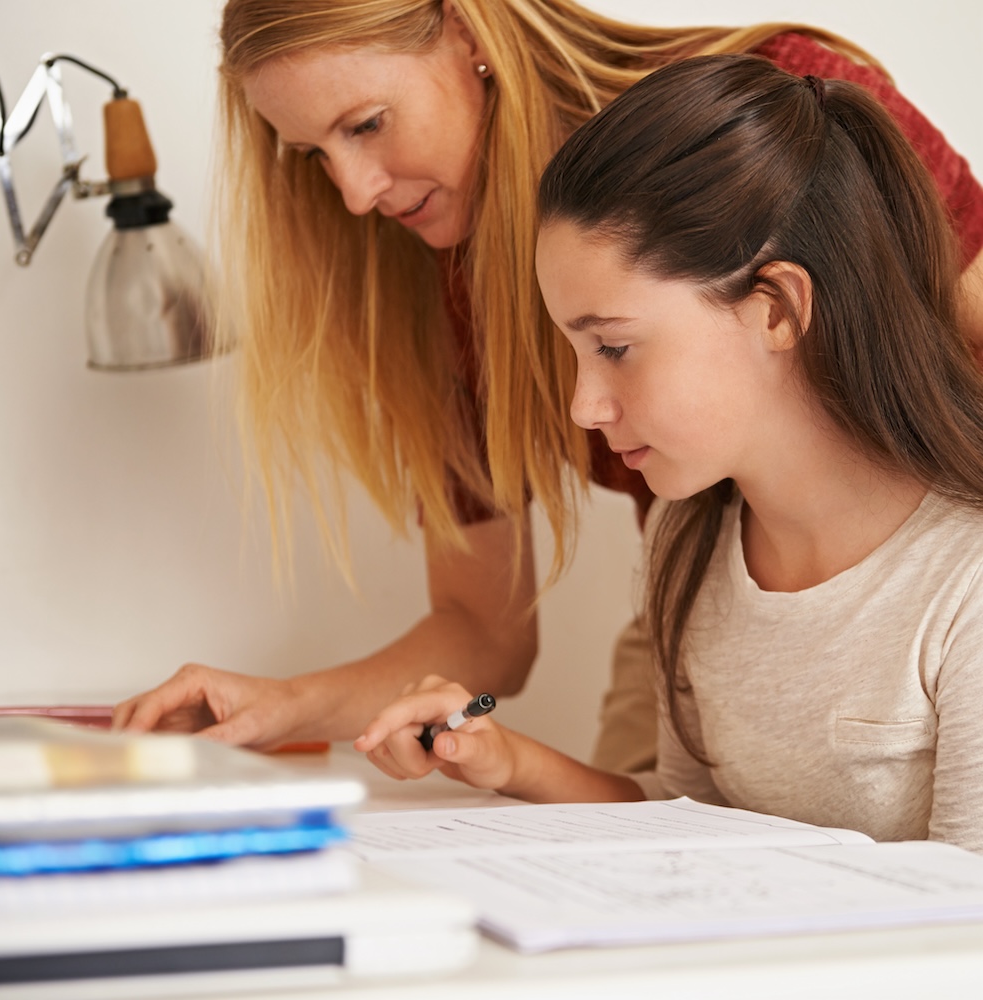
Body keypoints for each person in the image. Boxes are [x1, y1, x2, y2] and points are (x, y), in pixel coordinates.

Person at [112, 1, 983, 767]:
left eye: (368, 124)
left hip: (929, 607)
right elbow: (486, 627)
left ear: (464, 29)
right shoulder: (439, 289)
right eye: (312, 155)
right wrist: (286, 708)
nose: (352, 193)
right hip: (705, 610)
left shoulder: (775, 123)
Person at [356, 52, 983, 853]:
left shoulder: (964, 585)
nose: (583, 407)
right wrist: (507, 761)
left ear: (777, 310)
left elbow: (966, 922)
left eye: (613, 347)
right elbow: (693, 820)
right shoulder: (686, 545)